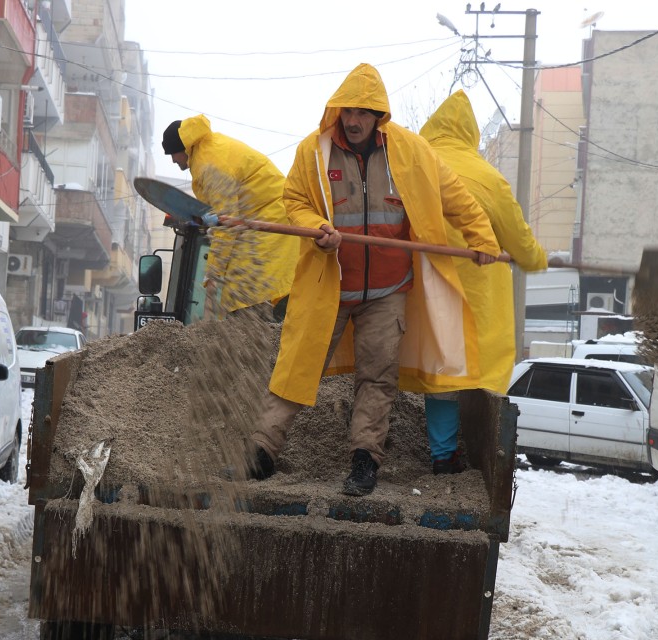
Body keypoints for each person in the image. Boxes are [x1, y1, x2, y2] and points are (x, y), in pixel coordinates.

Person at [242, 63, 501, 497]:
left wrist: (483, 239)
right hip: (329, 285)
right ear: (338, 112)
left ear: (379, 115)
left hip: (387, 291)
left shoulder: (411, 152)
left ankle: (365, 461)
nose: (354, 120)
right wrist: (316, 226)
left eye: (363, 112)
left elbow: (454, 196)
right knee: (296, 367)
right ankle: (262, 451)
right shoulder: (314, 151)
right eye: (348, 111)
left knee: (377, 378)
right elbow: (295, 199)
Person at [419, 90, 548, 473]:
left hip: (429, 289)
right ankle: (483, 452)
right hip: (480, 296)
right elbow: (520, 242)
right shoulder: (489, 179)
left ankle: (443, 454)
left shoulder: (414, 165)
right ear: (470, 134)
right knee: (484, 373)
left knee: (442, 372)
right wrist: (538, 259)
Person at [162, 116, 298, 317]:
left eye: (172, 154)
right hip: (258, 222)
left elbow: (227, 226)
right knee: (239, 293)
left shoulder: (209, 165)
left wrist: (212, 275)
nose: (173, 160)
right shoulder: (209, 149)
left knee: (248, 298)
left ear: (183, 148)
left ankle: (255, 329)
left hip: (271, 224)